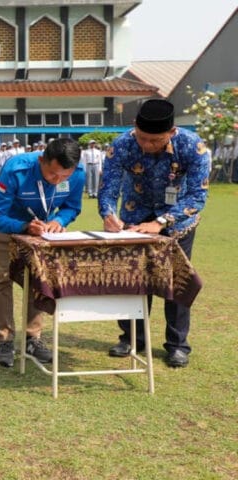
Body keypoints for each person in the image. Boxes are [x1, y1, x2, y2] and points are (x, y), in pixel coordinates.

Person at [98, 99, 210, 368]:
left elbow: (197, 196)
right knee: (132, 281)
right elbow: (109, 186)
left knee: (175, 282)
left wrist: (161, 222)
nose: (147, 145)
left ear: (171, 133)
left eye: (154, 140)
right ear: (134, 127)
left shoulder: (193, 147)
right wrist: (108, 214)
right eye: (142, 138)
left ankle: (177, 345)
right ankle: (133, 338)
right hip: (133, 219)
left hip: (177, 222)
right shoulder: (123, 144)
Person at [0, 138, 85, 367]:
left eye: (64, 177)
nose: (57, 180)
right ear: (41, 160)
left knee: (37, 281)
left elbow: (72, 206)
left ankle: (33, 338)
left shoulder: (78, 173)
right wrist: (23, 227)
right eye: (52, 174)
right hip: (7, 228)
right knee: (2, 281)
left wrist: (59, 220)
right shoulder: (16, 169)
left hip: (41, 235)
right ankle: (5, 341)